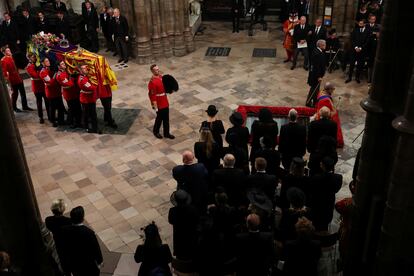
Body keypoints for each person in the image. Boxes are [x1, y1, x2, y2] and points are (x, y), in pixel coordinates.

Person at [62, 206, 103, 276]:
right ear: (82, 218)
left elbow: (64, 248)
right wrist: (99, 261)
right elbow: (95, 248)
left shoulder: (65, 231)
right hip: (88, 265)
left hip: (75, 264)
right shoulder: (89, 232)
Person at [309, 156, 342, 231]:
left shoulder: (316, 178)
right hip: (328, 205)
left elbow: (312, 191)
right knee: (325, 225)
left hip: (317, 205)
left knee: (316, 225)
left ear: (323, 165)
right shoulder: (338, 178)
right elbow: (336, 190)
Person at [168, 189, 200, 260]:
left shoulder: (172, 211)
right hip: (191, 236)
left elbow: (171, 221)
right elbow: (197, 221)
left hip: (179, 237)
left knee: (180, 255)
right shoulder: (193, 209)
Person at [1, 47, 32, 112]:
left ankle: (25, 106)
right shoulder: (3, 60)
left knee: (23, 92)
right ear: (4, 53)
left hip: (18, 77)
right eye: (8, 51)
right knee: (15, 94)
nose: (9, 51)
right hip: (12, 79)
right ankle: (14, 108)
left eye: (9, 50)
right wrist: (8, 82)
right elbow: (4, 72)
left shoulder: (12, 57)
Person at [148, 64, 175, 139]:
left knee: (166, 118)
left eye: (158, 69)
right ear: (152, 71)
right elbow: (152, 95)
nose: (158, 70)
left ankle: (167, 133)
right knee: (159, 118)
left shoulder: (161, 77)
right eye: (156, 70)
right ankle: (156, 131)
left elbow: (165, 87)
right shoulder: (152, 82)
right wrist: (155, 106)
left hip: (165, 101)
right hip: (159, 103)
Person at [315, 82, 344, 147]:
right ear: (329, 89)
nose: (333, 91)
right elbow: (330, 112)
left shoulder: (320, 92)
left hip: (319, 111)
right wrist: (335, 110)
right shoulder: (327, 99)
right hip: (322, 115)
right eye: (332, 89)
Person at [56, 60, 81, 128]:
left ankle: (78, 121)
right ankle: (73, 123)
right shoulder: (60, 75)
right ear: (59, 66)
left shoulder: (66, 71)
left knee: (77, 107)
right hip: (69, 94)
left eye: (64, 63)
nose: (64, 64)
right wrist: (72, 78)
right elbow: (70, 84)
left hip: (74, 92)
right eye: (62, 64)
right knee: (73, 109)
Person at [40, 57, 65, 127]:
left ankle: (61, 120)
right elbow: (50, 83)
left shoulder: (49, 69)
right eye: (46, 61)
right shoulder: (43, 72)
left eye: (48, 61)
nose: (48, 62)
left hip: (56, 91)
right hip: (51, 93)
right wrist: (55, 75)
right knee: (53, 108)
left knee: (60, 107)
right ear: (43, 63)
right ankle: (53, 121)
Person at [26, 53, 49, 123]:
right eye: (33, 57)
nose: (35, 58)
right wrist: (41, 72)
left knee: (47, 101)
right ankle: (41, 117)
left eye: (35, 57)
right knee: (39, 103)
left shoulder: (36, 64)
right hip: (37, 87)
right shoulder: (29, 66)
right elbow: (35, 76)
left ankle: (50, 115)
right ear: (29, 58)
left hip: (42, 86)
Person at [346, 19, 369, 84]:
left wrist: (361, 48)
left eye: (361, 23)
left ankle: (357, 77)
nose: (360, 25)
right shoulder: (355, 30)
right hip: (354, 50)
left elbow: (367, 41)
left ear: (364, 24)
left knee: (359, 65)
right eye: (359, 23)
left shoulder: (367, 31)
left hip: (362, 51)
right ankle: (349, 77)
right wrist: (356, 47)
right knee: (352, 64)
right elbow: (352, 39)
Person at [77, 64, 99, 133]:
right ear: (80, 70)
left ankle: (89, 126)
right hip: (87, 99)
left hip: (88, 98)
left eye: (86, 68)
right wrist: (96, 84)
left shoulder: (85, 77)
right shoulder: (83, 80)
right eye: (84, 68)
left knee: (89, 114)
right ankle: (91, 128)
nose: (86, 69)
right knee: (90, 114)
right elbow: (91, 88)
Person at [306, 39, 327, 107]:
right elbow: (316, 67)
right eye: (324, 45)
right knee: (313, 89)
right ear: (321, 45)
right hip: (315, 76)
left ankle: (315, 102)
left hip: (315, 75)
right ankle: (308, 103)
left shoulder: (317, 51)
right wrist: (319, 77)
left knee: (316, 89)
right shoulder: (317, 53)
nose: (325, 46)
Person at [366, 15, 380, 83]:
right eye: (372, 19)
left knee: (373, 65)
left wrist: (374, 34)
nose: (373, 20)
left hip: (374, 51)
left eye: (374, 19)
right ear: (369, 20)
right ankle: (368, 78)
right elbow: (366, 34)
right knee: (369, 65)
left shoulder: (377, 26)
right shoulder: (366, 26)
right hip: (368, 48)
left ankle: (372, 79)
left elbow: (374, 34)